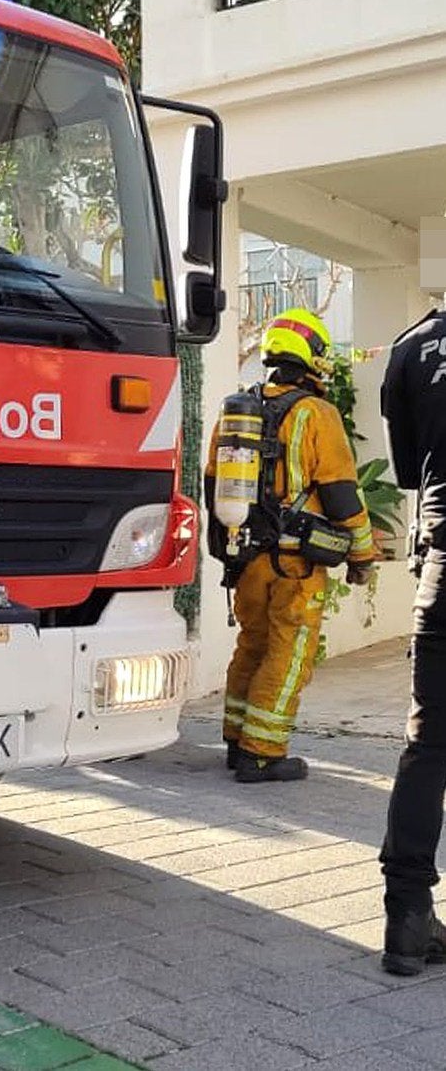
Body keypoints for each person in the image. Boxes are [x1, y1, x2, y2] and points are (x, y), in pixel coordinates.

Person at [206, 308, 377, 782]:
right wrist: (362, 557)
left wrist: (226, 552)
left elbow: (212, 483)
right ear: (312, 357)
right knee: (289, 650)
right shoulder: (317, 414)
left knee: (252, 643)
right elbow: (342, 493)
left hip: (246, 556)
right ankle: (262, 752)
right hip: (296, 565)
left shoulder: (236, 409)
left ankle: (237, 741)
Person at [379, 303, 446, 975]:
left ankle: (406, 920)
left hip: (444, 562)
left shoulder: (411, 347)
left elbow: (407, 471)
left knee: (428, 747)